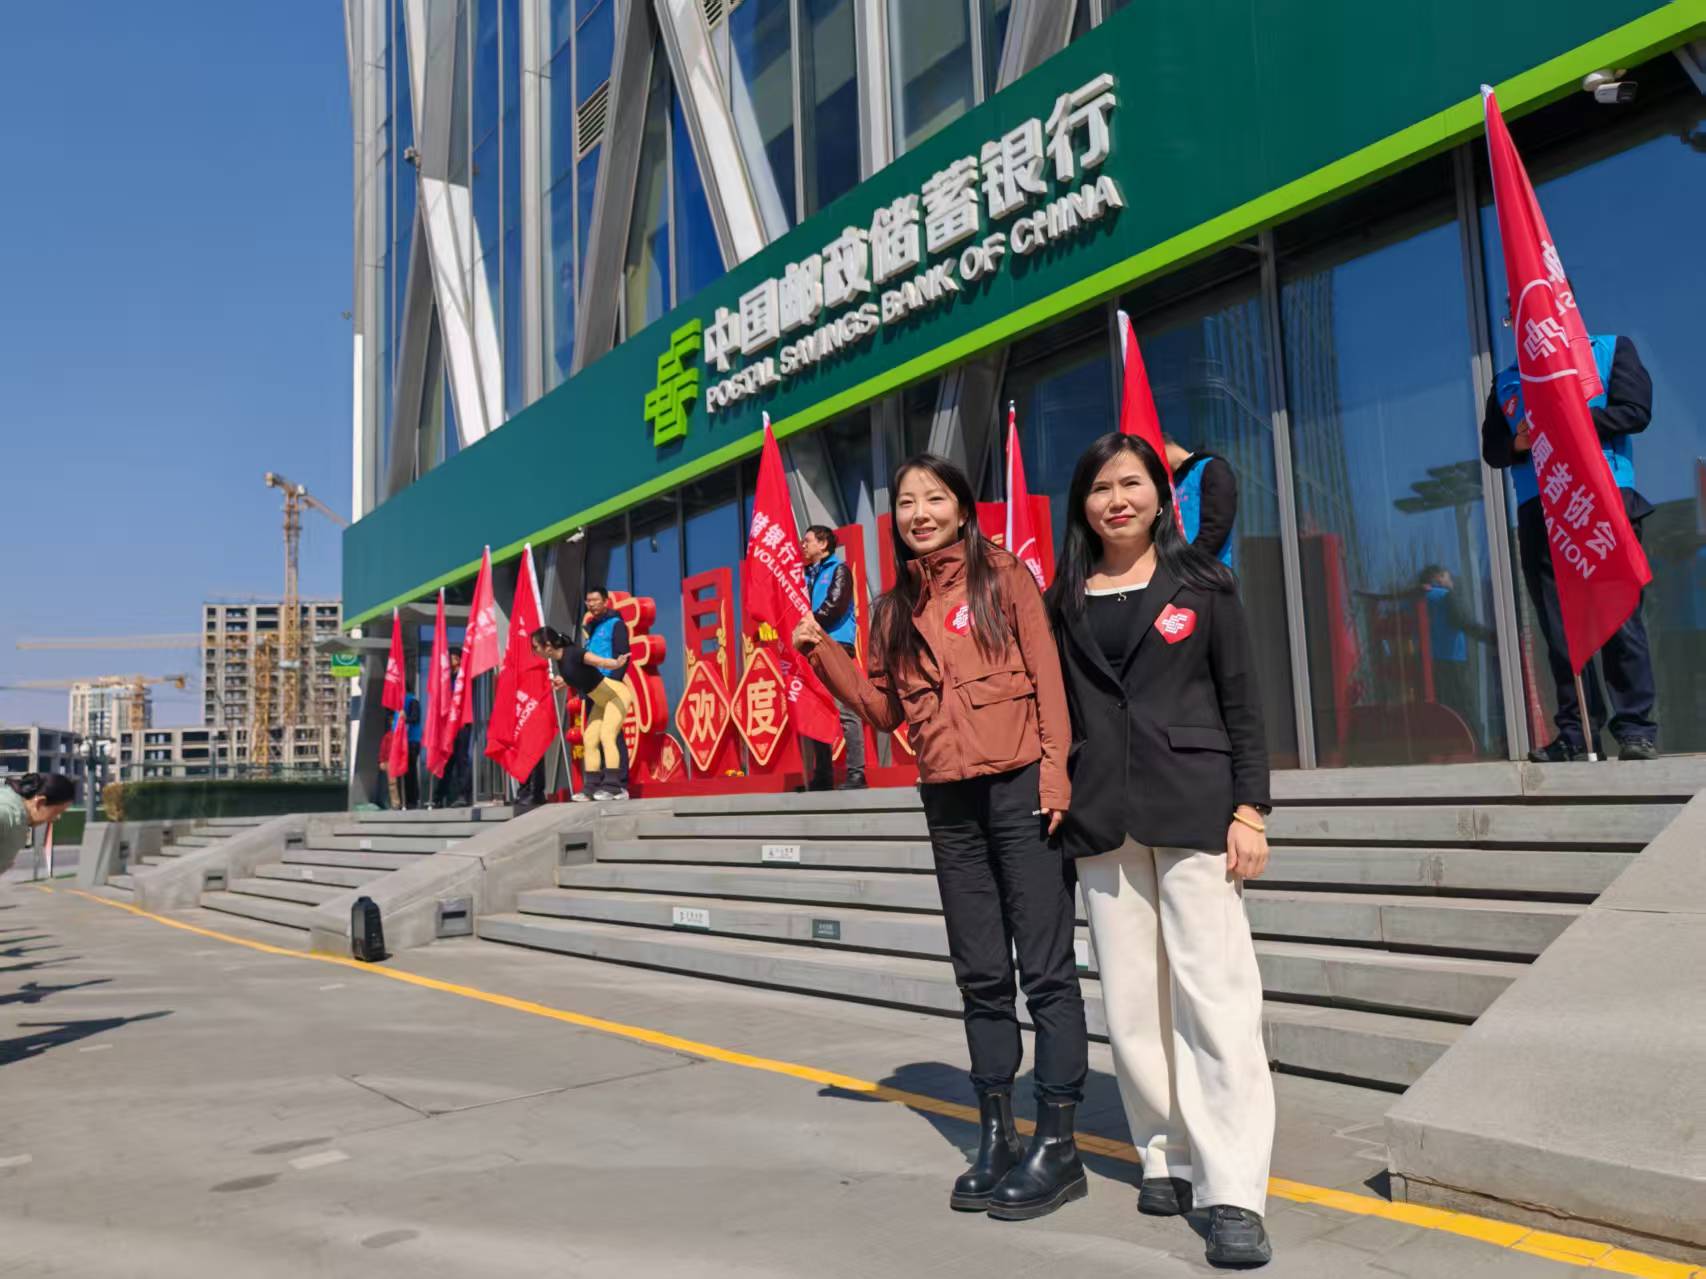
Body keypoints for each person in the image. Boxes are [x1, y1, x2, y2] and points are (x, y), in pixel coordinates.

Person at [793, 454, 1089, 1222]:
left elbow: (1049, 681)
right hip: (950, 803)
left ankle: (1059, 1143)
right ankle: (996, 1132)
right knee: (981, 973)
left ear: (961, 507)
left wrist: (1056, 777)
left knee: (1047, 971)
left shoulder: (1005, 579)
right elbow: (882, 710)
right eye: (906, 502)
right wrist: (820, 650)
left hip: (1021, 788)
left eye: (934, 498)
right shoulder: (894, 610)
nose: (919, 512)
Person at [1046, 432, 1275, 1268]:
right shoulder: (1063, 596)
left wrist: (1251, 809)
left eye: (1131, 483)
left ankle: (1234, 1187)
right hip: (1102, 815)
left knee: (1216, 999)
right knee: (1133, 1001)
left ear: (1159, 493)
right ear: (1082, 505)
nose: (1117, 500)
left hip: (1196, 808)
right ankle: (1164, 1152)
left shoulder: (1204, 582)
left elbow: (1242, 700)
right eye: (1100, 487)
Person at [1482, 325, 1658, 761]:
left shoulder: (1610, 350)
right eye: (1513, 315)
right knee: (1558, 627)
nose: (1521, 322)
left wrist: (1567, 419)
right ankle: (1576, 733)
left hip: (1602, 494)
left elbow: (1635, 412)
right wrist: (1521, 439)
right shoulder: (1506, 380)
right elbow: (1493, 450)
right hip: (1538, 508)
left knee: (1620, 617)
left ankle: (1635, 728)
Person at [798, 524, 866, 791]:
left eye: (807, 541)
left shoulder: (839, 570)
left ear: (823, 544)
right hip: (812, 647)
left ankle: (857, 774)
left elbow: (836, 605)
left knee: (846, 711)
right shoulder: (804, 575)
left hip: (836, 647)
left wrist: (808, 623)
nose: (803, 545)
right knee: (816, 711)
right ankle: (823, 775)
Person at [523, 625, 601, 808]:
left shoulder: (573, 654)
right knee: (592, 741)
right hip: (592, 698)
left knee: (604, 740)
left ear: (548, 645)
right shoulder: (562, 660)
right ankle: (593, 787)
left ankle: (611, 786)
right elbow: (580, 675)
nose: (534, 651)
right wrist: (565, 681)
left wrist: (614, 664)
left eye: (535, 647)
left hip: (603, 696)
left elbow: (597, 666)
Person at [1416, 565, 1496, 740]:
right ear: (1438, 578)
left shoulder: (1417, 599)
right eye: (1448, 577)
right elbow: (1462, 621)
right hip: (1452, 660)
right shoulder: (1445, 596)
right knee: (1465, 707)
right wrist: (1494, 638)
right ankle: (1478, 745)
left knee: (1442, 708)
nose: (1451, 581)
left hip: (1426, 664)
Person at [578, 588, 632, 800]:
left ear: (606, 602)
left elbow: (623, 655)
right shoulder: (592, 628)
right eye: (588, 600)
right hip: (594, 689)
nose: (591, 604)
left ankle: (620, 785)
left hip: (609, 687)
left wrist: (614, 682)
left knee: (612, 735)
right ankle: (595, 785)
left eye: (595, 600)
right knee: (592, 737)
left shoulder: (615, 624)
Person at [1163, 434, 1238, 568]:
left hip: (1209, 570)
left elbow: (1217, 525)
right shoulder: (1173, 483)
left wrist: (1189, 563)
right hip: (1181, 569)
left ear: (1163, 447)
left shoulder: (1211, 467)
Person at [1, 773, 75, 878]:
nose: (57, 818)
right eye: (57, 812)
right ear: (40, 802)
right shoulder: (7, 815)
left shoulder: (13, 812)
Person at [435, 650, 474, 808]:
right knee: (447, 760)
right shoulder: (448, 678)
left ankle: (464, 795)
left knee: (461, 759)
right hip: (449, 725)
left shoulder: (463, 678)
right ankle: (439, 797)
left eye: (450, 658)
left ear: (457, 659)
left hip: (461, 723)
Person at [388, 692, 421, 810]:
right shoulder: (397, 704)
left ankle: (412, 800)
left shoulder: (412, 700)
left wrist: (405, 719)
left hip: (411, 741)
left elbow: (415, 717)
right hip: (399, 743)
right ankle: (402, 801)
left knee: (410, 772)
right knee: (399, 772)